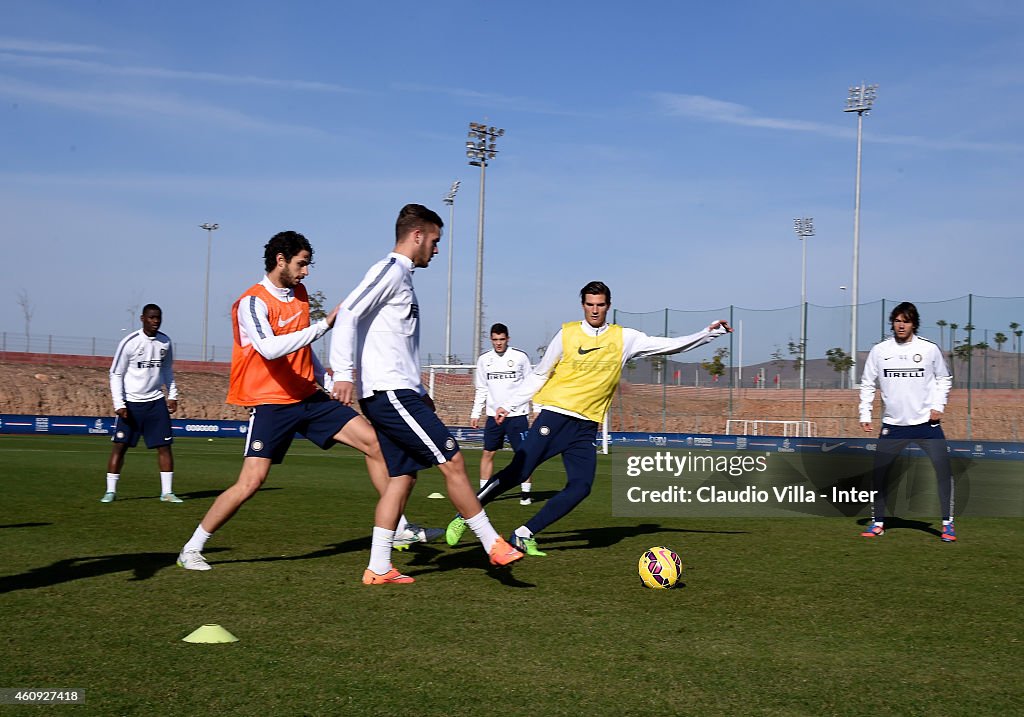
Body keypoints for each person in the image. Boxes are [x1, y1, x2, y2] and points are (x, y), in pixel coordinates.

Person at [446, 281, 731, 556]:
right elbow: (540, 373)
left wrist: (708, 333)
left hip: (586, 428)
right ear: (582, 305)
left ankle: (523, 534)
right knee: (518, 472)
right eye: (590, 304)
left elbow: (672, 345)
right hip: (555, 418)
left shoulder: (624, 338)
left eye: (601, 305)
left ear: (608, 306)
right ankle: (466, 514)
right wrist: (508, 404)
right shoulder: (567, 334)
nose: (595, 310)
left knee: (581, 487)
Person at [176, 231, 400, 574]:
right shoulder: (251, 302)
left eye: (307, 264)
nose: (306, 272)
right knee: (251, 482)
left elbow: (302, 347)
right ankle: (192, 548)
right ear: (281, 260)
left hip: (308, 396)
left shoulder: (300, 294)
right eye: (302, 263)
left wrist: (325, 377)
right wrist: (324, 325)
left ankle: (399, 528)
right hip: (270, 403)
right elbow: (270, 348)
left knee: (375, 443)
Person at [330, 203, 523, 583]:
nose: (437, 249)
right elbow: (348, 311)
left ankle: (378, 566)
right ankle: (492, 544)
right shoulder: (389, 270)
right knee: (451, 461)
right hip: (389, 393)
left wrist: (420, 388)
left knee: (403, 478)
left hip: (402, 392)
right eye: (435, 241)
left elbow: (397, 345)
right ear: (417, 235)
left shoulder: (403, 277)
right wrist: (342, 372)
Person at [858, 301, 957, 542]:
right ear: (892, 323)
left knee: (943, 472)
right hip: (893, 426)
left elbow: (944, 379)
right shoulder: (880, 351)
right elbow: (868, 383)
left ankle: (947, 525)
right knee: (879, 475)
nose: (901, 325)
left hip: (927, 425)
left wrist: (938, 406)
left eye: (906, 321)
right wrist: (864, 413)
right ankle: (878, 522)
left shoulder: (929, 349)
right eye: (897, 321)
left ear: (914, 324)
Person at [102, 304, 181, 503]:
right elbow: (116, 373)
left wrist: (172, 395)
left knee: (165, 447)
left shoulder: (165, 342)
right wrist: (119, 403)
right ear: (142, 318)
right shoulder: (130, 342)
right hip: (131, 404)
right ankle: (110, 491)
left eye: (158, 318)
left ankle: (167, 492)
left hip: (155, 402)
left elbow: (167, 371)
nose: (155, 321)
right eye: (151, 317)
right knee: (120, 446)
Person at [470, 323, 535, 504]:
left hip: (518, 415)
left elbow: (531, 385)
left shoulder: (520, 357)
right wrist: (476, 413)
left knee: (524, 455)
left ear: (508, 339)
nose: (499, 343)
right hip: (493, 417)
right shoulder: (484, 360)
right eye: (495, 340)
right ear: (491, 340)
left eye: (502, 339)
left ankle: (525, 493)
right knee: (488, 453)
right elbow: (481, 389)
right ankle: (483, 493)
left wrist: (536, 408)